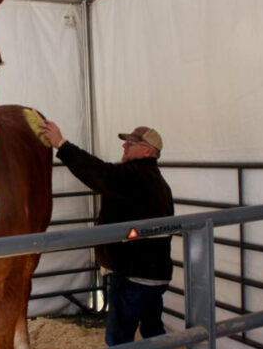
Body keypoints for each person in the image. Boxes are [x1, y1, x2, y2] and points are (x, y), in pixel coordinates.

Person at [40, 122, 174, 346]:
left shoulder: (134, 177)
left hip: (134, 274)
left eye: (131, 143)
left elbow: (99, 173)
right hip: (156, 274)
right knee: (152, 328)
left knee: (119, 336)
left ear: (148, 151)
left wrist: (62, 146)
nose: (124, 146)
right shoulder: (158, 181)